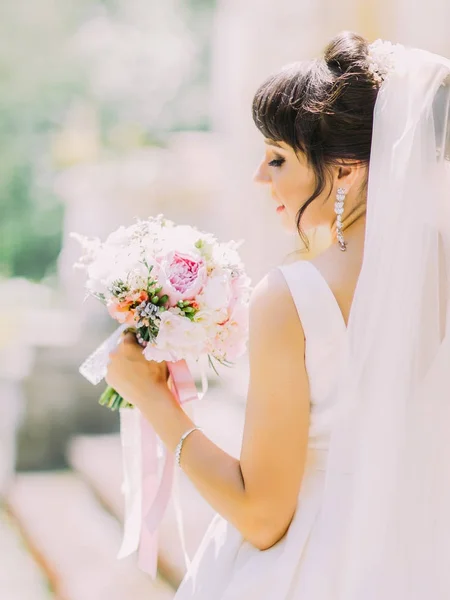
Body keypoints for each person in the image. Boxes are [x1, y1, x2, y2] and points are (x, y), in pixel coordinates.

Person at [106, 31, 450, 599]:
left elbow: (263, 518)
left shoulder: (294, 300)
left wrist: (149, 397)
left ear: (345, 171)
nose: (259, 178)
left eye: (278, 158)